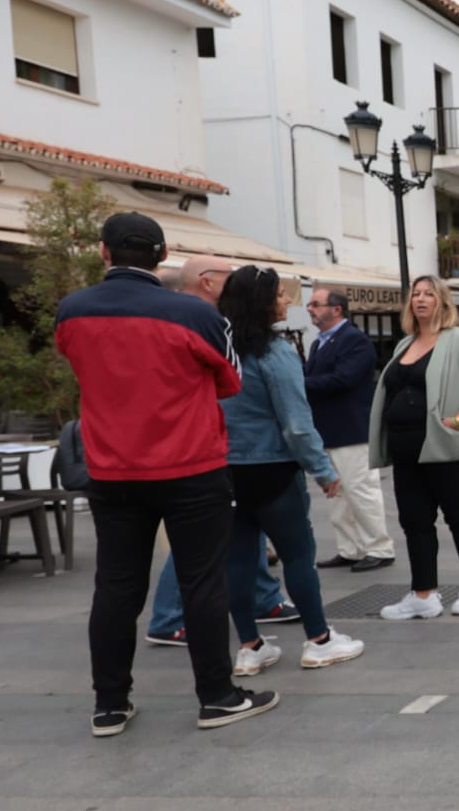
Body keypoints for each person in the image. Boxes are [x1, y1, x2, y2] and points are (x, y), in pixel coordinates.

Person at [54, 213, 279, 736]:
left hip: (112, 468)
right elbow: (230, 383)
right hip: (191, 466)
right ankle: (217, 697)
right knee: (202, 582)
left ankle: (109, 704)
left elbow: (79, 366)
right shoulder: (196, 315)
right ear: (161, 258)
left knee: (115, 587)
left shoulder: (73, 312)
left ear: (105, 253)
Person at [216, 266, 365, 674]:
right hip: (273, 469)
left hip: (226, 469)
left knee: (239, 560)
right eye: (280, 294)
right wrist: (323, 469)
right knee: (299, 554)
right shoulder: (275, 351)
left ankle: (249, 646)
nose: (287, 301)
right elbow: (296, 422)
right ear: (263, 302)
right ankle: (319, 640)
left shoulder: (219, 348)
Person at [144, 254, 293, 646]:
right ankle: (168, 617)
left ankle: (263, 597)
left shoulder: (210, 321)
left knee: (241, 531)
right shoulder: (199, 321)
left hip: (218, 445)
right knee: (200, 538)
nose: (235, 282)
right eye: (228, 276)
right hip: (203, 446)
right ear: (208, 282)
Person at [368, 276, 459, 620]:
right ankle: (423, 594)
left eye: (429, 293)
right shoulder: (403, 345)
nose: (421, 299)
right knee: (415, 522)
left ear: (443, 301)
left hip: (452, 448)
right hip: (406, 451)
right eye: (416, 294)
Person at [303, 288, 396, 572]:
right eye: (310, 304)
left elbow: (343, 380)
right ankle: (351, 549)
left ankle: (379, 547)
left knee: (361, 489)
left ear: (337, 309)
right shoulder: (319, 343)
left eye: (316, 304)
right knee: (337, 494)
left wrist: (298, 382)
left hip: (352, 429)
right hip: (328, 430)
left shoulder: (354, 340)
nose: (310, 309)